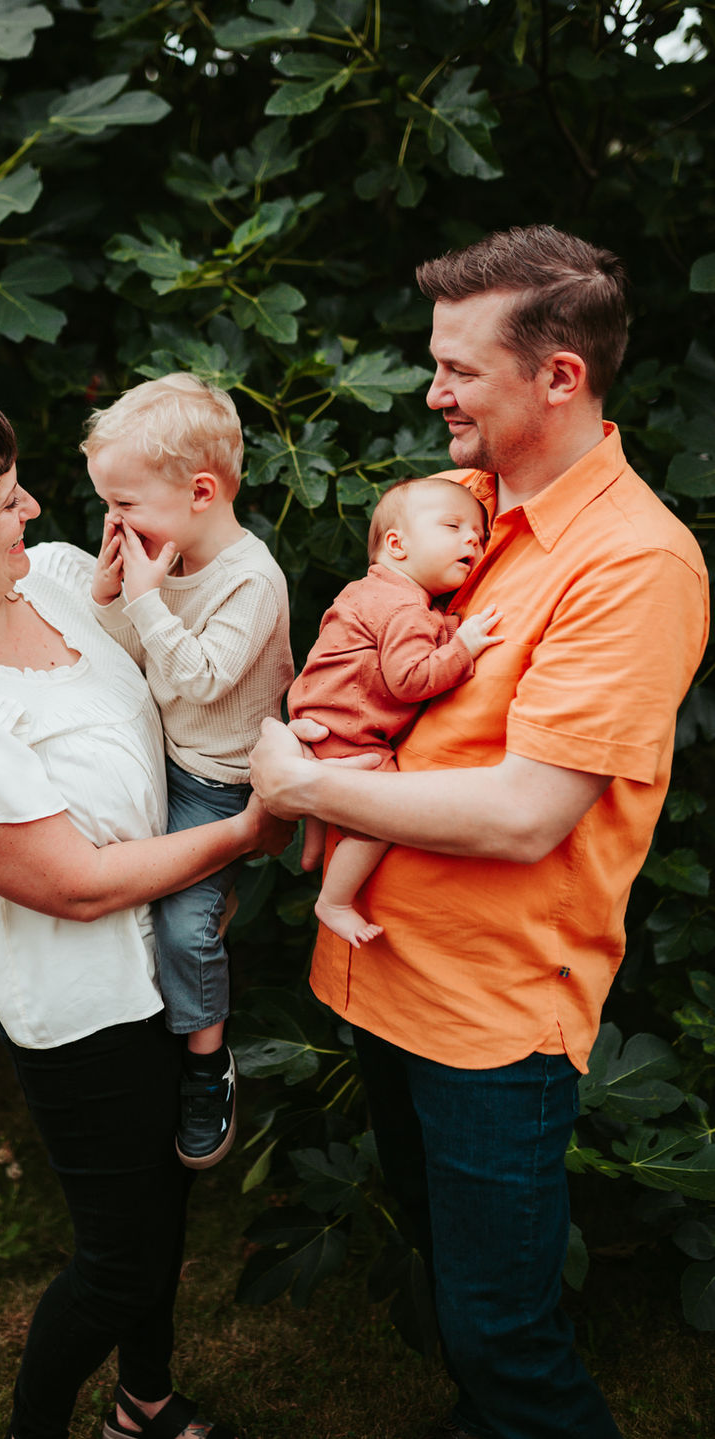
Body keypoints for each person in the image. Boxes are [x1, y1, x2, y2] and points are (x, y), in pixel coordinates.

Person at [248, 225, 709, 1439]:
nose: (430, 388)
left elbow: (521, 814)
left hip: (491, 1021)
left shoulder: (633, 562)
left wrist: (301, 788)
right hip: (390, 979)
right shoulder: (471, 518)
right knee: (464, 1308)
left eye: (456, 367)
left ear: (559, 375)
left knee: (508, 1340)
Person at [0, 382, 292, 1439]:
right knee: (117, 1258)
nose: (34, 508)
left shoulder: (73, 581)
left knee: (166, 1206)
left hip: (169, 952)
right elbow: (70, 882)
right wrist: (242, 834)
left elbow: (184, 687)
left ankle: (144, 1403)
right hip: (85, 1006)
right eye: (7, 496)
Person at [81, 373, 294, 1169]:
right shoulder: (159, 563)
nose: (114, 520)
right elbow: (140, 662)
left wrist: (141, 600)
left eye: (126, 503)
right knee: (103, 880)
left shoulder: (251, 579)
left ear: (200, 490)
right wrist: (112, 600)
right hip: (165, 756)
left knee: (181, 923)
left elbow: (201, 677)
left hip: (222, 783)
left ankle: (207, 1063)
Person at [287, 476, 501, 946]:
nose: (473, 539)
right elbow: (409, 680)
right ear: (397, 544)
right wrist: (462, 647)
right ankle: (335, 900)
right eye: (453, 526)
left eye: (481, 537)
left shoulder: (370, 591)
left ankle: (312, 852)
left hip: (318, 720)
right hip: (351, 733)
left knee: (321, 791)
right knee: (382, 813)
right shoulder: (404, 607)